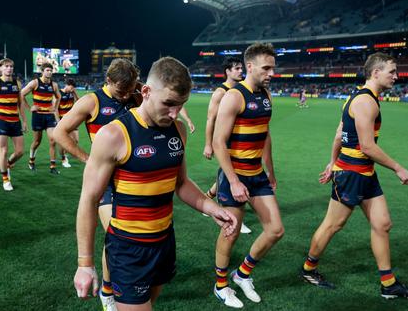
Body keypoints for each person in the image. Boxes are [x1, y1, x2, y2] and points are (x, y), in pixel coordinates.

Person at [74, 56, 238, 311]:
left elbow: (181, 183)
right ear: (146, 91)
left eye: (181, 105)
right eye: (169, 104)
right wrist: (85, 263)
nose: (174, 113)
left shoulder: (178, 130)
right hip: (128, 249)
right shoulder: (114, 134)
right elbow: (89, 199)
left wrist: (212, 208)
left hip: (164, 242)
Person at [300, 52, 408, 300]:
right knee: (333, 224)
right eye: (392, 72)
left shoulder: (356, 97)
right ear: (376, 72)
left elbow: (339, 134)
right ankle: (308, 269)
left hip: (364, 173)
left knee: (382, 224)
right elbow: (367, 146)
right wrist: (398, 167)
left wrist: (332, 162)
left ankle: (388, 285)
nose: (396, 77)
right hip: (352, 173)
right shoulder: (366, 101)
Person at [55, 58, 140, 311]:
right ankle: (108, 291)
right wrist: (86, 158)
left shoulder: (135, 95)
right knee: (116, 233)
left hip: (132, 177)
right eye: (120, 91)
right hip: (104, 179)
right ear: (108, 81)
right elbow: (60, 131)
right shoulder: (92, 101)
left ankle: (109, 286)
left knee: (127, 236)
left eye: (130, 90)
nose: (126, 96)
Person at [212, 43, 284, 308]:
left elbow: (265, 135)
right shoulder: (234, 96)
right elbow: (219, 142)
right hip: (235, 175)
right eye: (266, 68)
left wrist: (271, 171)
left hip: (257, 175)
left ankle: (241, 274)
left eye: (273, 68)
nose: (271, 73)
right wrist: (233, 181)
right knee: (230, 233)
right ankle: (221, 285)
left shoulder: (266, 94)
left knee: (275, 230)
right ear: (250, 67)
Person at [200, 57, 251, 233]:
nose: (240, 71)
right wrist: (208, 144)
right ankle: (232, 215)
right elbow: (210, 119)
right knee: (232, 174)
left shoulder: (242, 90)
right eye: (236, 68)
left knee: (228, 172)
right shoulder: (220, 93)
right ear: (227, 71)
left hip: (240, 140)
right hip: (224, 141)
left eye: (240, 68)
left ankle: (209, 198)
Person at [0, 58, 28, 191]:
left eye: (11, 66)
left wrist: (24, 121)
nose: (9, 68)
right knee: (3, 150)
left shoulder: (18, 83)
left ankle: (8, 164)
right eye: (6, 66)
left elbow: (20, 103)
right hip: (2, 121)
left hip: (15, 121)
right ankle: (5, 179)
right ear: (1, 68)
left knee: (20, 152)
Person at [21, 62, 61, 174]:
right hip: (37, 116)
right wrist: (30, 108)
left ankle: (53, 166)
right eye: (47, 70)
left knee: (53, 140)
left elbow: (58, 97)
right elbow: (21, 94)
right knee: (37, 141)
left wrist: (55, 108)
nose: (49, 72)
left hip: (49, 116)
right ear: (42, 71)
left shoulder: (54, 85)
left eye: (51, 70)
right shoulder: (35, 83)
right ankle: (31, 161)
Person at [57, 78, 80, 168]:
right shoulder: (59, 93)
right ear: (67, 85)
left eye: (73, 88)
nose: (72, 89)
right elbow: (55, 108)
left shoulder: (71, 93)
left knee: (76, 140)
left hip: (72, 120)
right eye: (72, 87)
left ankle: (65, 154)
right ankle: (63, 159)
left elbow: (79, 102)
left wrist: (74, 92)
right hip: (63, 120)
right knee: (64, 141)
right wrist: (58, 121)